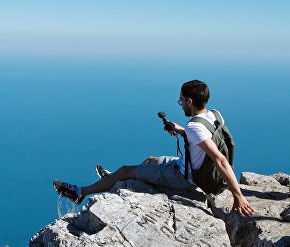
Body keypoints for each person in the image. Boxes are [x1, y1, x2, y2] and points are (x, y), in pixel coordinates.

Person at [53, 80, 255, 216]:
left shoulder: (195, 127)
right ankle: (113, 178)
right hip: (188, 166)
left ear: (190, 101)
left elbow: (219, 159)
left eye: (181, 100)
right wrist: (181, 130)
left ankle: (82, 191)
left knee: (125, 170)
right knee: (150, 159)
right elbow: (204, 142)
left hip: (185, 177)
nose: (181, 104)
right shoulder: (214, 115)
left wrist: (238, 196)